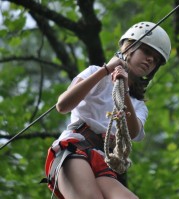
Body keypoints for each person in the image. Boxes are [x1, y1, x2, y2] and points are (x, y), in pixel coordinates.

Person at [43, 21, 171, 199]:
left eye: (156, 59)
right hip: (75, 148)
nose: (150, 59)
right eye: (147, 51)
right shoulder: (96, 74)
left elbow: (133, 132)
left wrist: (124, 89)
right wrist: (106, 70)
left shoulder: (138, 104)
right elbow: (63, 106)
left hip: (101, 159)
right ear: (129, 48)